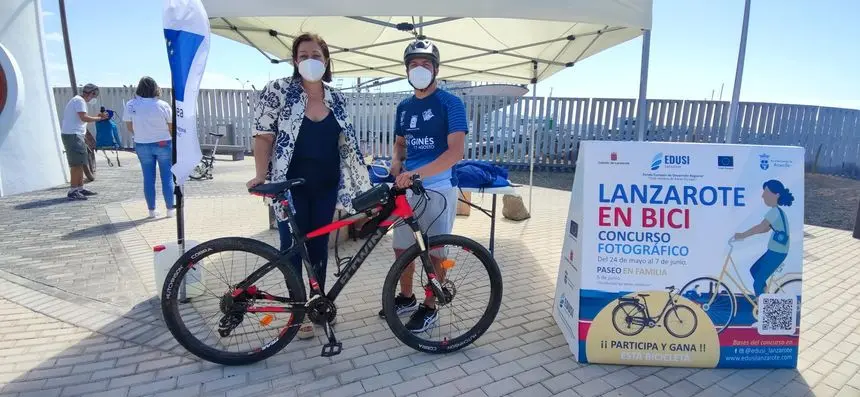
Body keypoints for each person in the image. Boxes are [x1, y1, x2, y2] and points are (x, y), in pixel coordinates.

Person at [247, 33, 372, 339]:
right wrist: (261, 175)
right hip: (291, 186)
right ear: (294, 61)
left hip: (327, 185)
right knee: (292, 248)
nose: (309, 60)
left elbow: (347, 143)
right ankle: (296, 311)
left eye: (315, 55)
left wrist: (361, 181)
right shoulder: (278, 90)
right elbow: (263, 135)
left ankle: (317, 304)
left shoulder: (337, 98)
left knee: (318, 247)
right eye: (302, 55)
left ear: (326, 60)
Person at [378, 39, 468, 333]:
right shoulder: (404, 106)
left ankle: (430, 306)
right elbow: (400, 143)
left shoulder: (450, 103)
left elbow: (455, 152)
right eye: (413, 64)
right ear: (406, 70)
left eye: (425, 64)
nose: (419, 69)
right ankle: (406, 297)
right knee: (402, 248)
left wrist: (418, 174)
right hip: (408, 188)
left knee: (435, 251)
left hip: (439, 188)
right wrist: (396, 162)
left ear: (436, 69)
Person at [123, 77, 175, 218]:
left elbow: (129, 126)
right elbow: (171, 128)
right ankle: (170, 209)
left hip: (142, 144)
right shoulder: (163, 105)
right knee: (167, 177)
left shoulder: (131, 105)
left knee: (148, 178)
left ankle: (151, 210)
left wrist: (141, 134)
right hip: (163, 143)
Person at [734, 179, 795, 296]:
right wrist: (747, 236)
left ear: (776, 194)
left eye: (766, 192)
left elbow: (761, 227)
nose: (762, 196)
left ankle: (762, 306)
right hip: (776, 250)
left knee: (757, 282)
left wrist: (742, 235)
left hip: (777, 252)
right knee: (754, 271)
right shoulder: (778, 212)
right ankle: (766, 297)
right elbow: (765, 229)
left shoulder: (774, 212)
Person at [60, 83, 107, 200]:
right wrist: (99, 118)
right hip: (73, 135)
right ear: (91, 93)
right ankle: (73, 190)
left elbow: (81, 118)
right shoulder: (79, 101)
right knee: (76, 164)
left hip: (75, 134)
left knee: (80, 162)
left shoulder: (77, 100)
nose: (94, 97)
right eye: (94, 95)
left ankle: (80, 188)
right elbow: (84, 117)